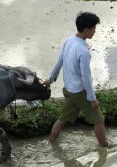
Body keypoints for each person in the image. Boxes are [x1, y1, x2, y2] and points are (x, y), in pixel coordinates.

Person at [44, 12, 108, 147]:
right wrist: (92, 98)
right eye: (94, 29)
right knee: (99, 120)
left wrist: (51, 79)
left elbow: (58, 62)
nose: (95, 31)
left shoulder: (68, 41)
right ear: (86, 30)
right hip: (80, 92)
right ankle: (105, 148)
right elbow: (86, 77)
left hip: (69, 90)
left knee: (62, 119)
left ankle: (50, 144)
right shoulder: (84, 51)